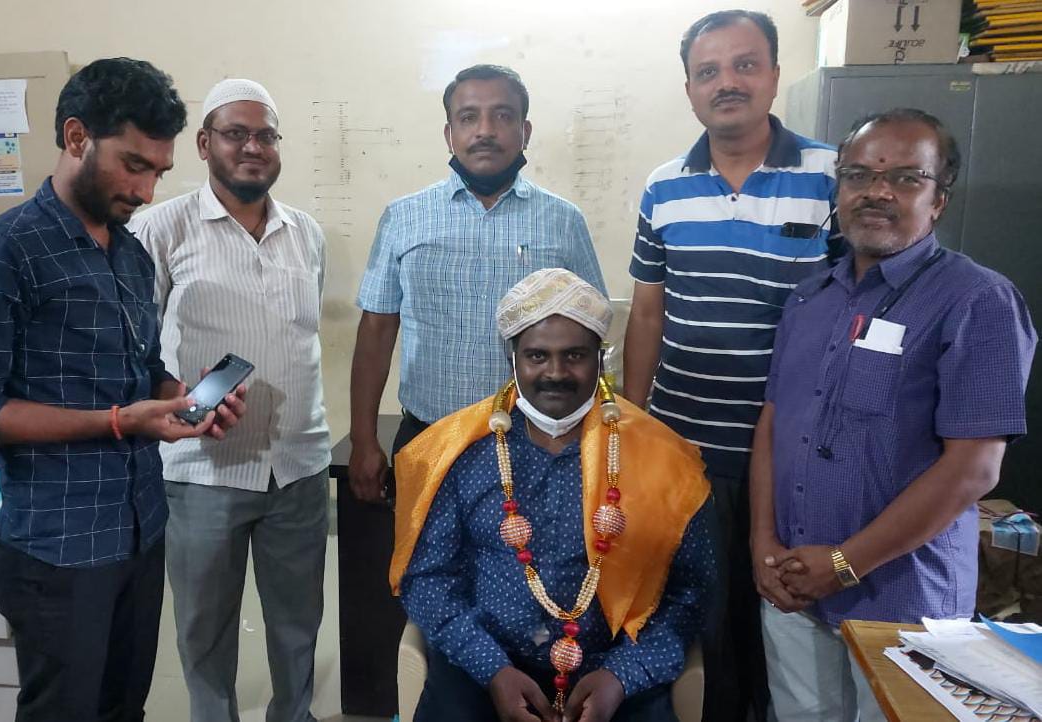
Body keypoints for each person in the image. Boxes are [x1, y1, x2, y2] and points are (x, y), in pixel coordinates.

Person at [0, 58, 246, 722]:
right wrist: (120, 421)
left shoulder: (129, 253)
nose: (146, 190)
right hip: (58, 549)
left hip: (141, 531)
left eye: (158, 172)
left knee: (124, 708)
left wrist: (184, 398)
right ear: (77, 138)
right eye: (133, 166)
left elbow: (143, 368)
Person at [751, 108, 1036, 721]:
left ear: (939, 200)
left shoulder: (977, 301)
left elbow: (974, 469)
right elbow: (775, 424)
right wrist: (762, 543)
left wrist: (845, 564)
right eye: (858, 175)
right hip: (794, 588)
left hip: (905, 602)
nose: (877, 191)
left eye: (906, 178)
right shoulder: (809, 299)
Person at [621, 10, 838, 719]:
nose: (728, 83)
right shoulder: (664, 187)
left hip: (800, 452)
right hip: (688, 448)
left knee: (787, 610)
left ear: (774, 75)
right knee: (705, 612)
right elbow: (647, 313)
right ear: (689, 89)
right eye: (708, 71)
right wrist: (632, 425)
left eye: (745, 65)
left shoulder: (831, 176)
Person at [392, 268, 715, 722]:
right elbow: (428, 579)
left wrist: (622, 676)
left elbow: (690, 594)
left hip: (614, 671)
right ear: (513, 360)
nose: (556, 373)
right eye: (537, 356)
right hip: (484, 666)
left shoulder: (662, 460)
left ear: (600, 360)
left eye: (575, 355)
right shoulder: (460, 452)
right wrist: (492, 670)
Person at [129, 78, 329, 722]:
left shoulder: (306, 233)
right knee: (204, 630)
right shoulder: (158, 229)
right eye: (235, 133)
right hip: (202, 471)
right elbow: (132, 347)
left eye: (265, 135)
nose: (252, 147)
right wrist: (177, 395)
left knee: (298, 624)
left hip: (298, 465)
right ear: (203, 144)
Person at [351, 64, 606, 505]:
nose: (485, 130)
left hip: (539, 443)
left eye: (502, 115)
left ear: (525, 131)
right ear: (449, 134)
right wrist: (362, 438)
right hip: (429, 438)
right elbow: (376, 330)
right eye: (468, 117)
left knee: (529, 552)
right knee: (424, 551)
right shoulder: (403, 218)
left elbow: (593, 335)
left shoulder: (563, 222)